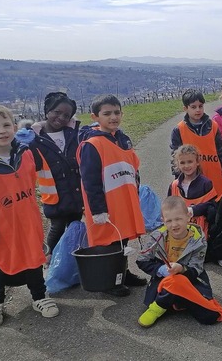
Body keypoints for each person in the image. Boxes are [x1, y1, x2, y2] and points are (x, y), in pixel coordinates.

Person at [0, 105, 59, 328]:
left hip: (26, 222)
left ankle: (39, 297)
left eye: (5, 125)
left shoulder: (25, 154)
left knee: (33, 259)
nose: (1, 131)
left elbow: (31, 186)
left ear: (14, 127)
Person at [78, 95, 147, 297]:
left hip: (123, 201)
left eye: (116, 112)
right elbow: (90, 181)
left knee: (122, 239)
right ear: (95, 116)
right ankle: (110, 281)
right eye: (107, 113)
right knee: (109, 243)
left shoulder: (122, 139)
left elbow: (132, 167)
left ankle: (122, 273)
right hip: (106, 205)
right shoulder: (92, 144)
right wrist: (98, 210)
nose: (113, 117)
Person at [136, 196, 222, 327]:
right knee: (173, 284)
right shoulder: (157, 236)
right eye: (169, 220)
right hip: (163, 280)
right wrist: (160, 270)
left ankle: (166, 303)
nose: (174, 224)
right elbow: (141, 260)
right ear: (163, 221)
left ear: (188, 216)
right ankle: (163, 305)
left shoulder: (198, 240)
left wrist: (181, 269)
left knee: (210, 317)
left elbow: (197, 268)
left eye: (178, 219)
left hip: (190, 279)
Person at [26, 92, 84, 259]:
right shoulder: (34, 139)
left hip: (75, 192)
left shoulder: (74, 134)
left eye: (66, 115)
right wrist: (21, 145)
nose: (61, 118)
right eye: (57, 112)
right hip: (54, 195)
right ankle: (49, 258)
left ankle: (69, 259)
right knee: (57, 227)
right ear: (47, 111)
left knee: (74, 226)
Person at [170, 89, 222, 196]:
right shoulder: (179, 130)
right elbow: (175, 155)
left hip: (214, 173)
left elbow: (220, 148)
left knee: (215, 204)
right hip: (191, 175)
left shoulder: (213, 126)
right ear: (185, 108)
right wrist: (178, 175)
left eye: (200, 106)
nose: (198, 110)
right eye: (193, 107)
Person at [168, 145, 217, 237]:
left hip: (201, 232)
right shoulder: (174, 185)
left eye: (190, 162)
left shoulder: (206, 183)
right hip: (179, 231)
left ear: (197, 162)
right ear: (177, 164)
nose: (186, 166)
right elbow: (168, 206)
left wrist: (193, 210)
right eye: (182, 163)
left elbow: (212, 207)